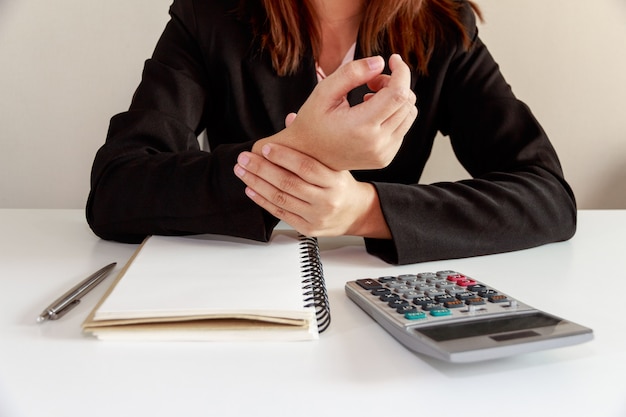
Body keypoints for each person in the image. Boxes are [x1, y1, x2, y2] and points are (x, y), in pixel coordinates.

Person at [86, 0, 576, 265]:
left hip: (373, 298)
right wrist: (299, 150)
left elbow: (547, 196)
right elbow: (116, 189)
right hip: (234, 284)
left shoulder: (443, 26)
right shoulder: (208, 15)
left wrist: (363, 211)